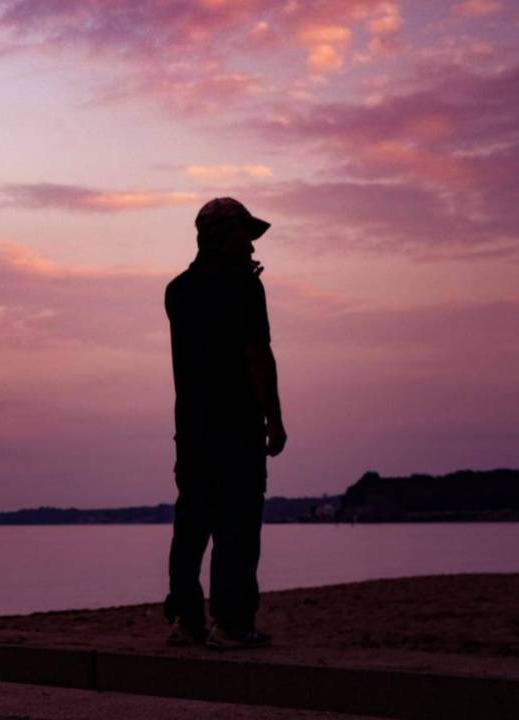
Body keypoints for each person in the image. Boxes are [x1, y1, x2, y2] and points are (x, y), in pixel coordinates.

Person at [163, 197, 287, 650]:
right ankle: (231, 623)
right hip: (236, 425)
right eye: (245, 235)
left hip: (192, 428)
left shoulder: (177, 291)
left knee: (192, 523)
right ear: (224, 236)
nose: (252, 245)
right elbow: (257, 355)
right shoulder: (244, 288)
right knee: (237, 523)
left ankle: (187, 619)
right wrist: (274, 418)